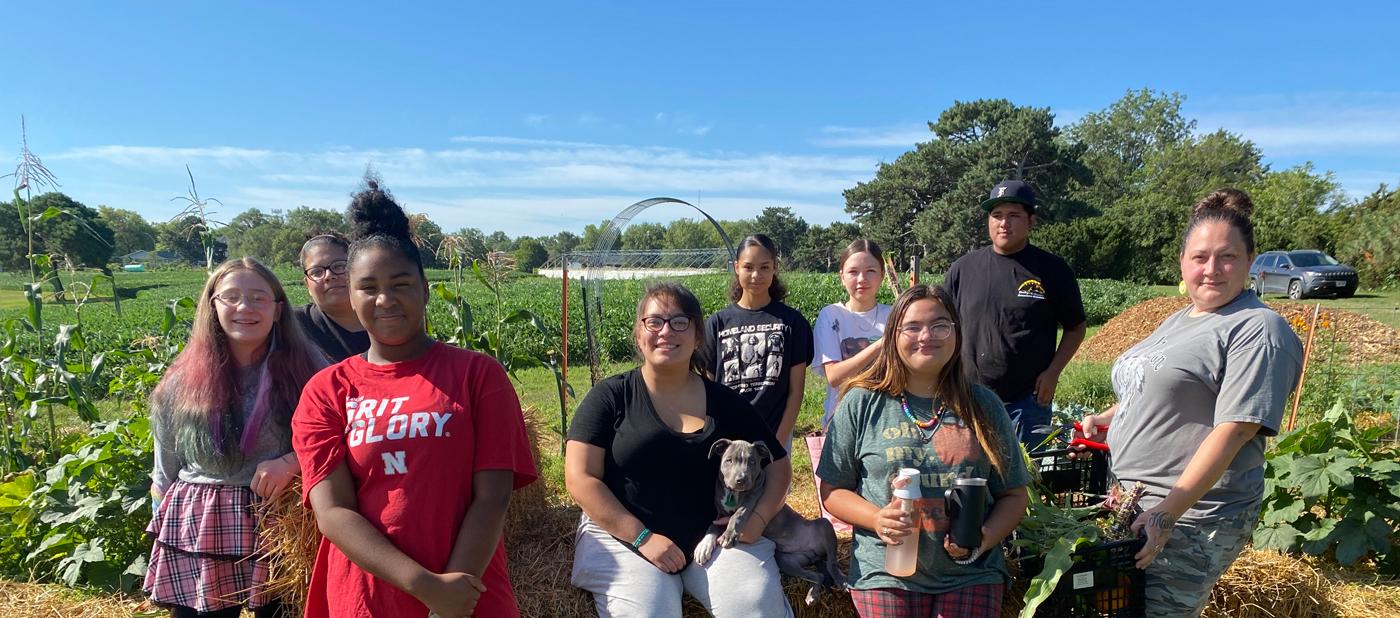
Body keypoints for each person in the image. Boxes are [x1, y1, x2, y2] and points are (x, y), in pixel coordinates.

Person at [292, 179, 537, 618]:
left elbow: (493, 497)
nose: (385, 299)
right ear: (352, 296)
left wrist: (449, 599)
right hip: (367, 598)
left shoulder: (478, 374)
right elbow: (332, 512)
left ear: (425, 290)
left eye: (400, 283)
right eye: (368, 287)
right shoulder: (327, 391)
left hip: (468, 591)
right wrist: (424, 587)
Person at [1075, 188, 1303, 617]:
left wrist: (1166, 514)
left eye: (1227, 257)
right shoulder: (1181, 318)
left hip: (1191, 515)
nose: (1212, 269)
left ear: (1251, 260)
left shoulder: (1258, 329)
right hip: (1134, 501)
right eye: (1200, 257)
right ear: (1182, 261)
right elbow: (1153, 387)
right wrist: (1108, 417)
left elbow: (1235, 429)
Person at [566, 282, 794, 617]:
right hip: (624, 538)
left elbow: (778, 466)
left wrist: (756, 520)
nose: (665, 331)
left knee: (754, 604)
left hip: (712, 535)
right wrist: (642, 538)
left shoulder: (726, 403)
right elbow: (580, 477)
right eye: (654, 321)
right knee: (650, 612)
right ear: (639, 332)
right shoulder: (610, 397)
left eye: (679, 322)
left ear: (698, 336)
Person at [817, 285, 1030, 618]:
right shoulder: (861, 402)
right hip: (885, 571)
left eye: (940, 325)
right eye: (912, 327)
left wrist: (983, 539)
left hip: (970, 572)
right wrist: (876, 518)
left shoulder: (983, 405)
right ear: (893, 336)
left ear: (956, 333)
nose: (926, 336)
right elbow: (832, 491)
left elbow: (1014, 494)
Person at [144, 257, 324, 618]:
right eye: (231, 297)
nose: (245, 307)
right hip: (201, 522)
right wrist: (159, 516)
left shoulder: (312, 370)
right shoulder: (179, 380)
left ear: (277, 310)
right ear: (212, 306)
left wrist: (293, 461)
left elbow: (338, 438)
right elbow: (165, 463)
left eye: (259, 297)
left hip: (279, 517)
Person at [944, 180, 1087, 449]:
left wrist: (1053, 373)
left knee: (1028, 483)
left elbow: (1075, 327)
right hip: (967, 396)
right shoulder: (963, 269)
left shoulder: (1053, 270)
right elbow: (944, 325)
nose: (1003, 223)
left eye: (1013, 216)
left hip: (1027, 401)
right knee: (967, 482)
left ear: (1031, 220)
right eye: (996, 215)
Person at [702, 234, 813, 446]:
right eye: (748, 267)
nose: (756, 275)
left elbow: (796, 391)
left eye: (764, 267)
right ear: (736, 267)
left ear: (775, 268)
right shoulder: (718, 323)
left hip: (775, 435)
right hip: (727, 440)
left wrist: (777, 444)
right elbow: (708, 390)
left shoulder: (792, 322)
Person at [811, 239, 892, 429]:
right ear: (842, 276)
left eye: (870, 271)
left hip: (886, 420)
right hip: (842, 420)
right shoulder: (831, 315)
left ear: (882, 275)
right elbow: (834, 376)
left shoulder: (894, 315)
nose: (862, 279)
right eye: (853, 272)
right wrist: (881, 344)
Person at [294, 231, 370, 362]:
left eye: (339, 266)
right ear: (307, 284)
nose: (329, 275)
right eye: (317, 272)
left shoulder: (383, 314)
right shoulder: (292, 325)